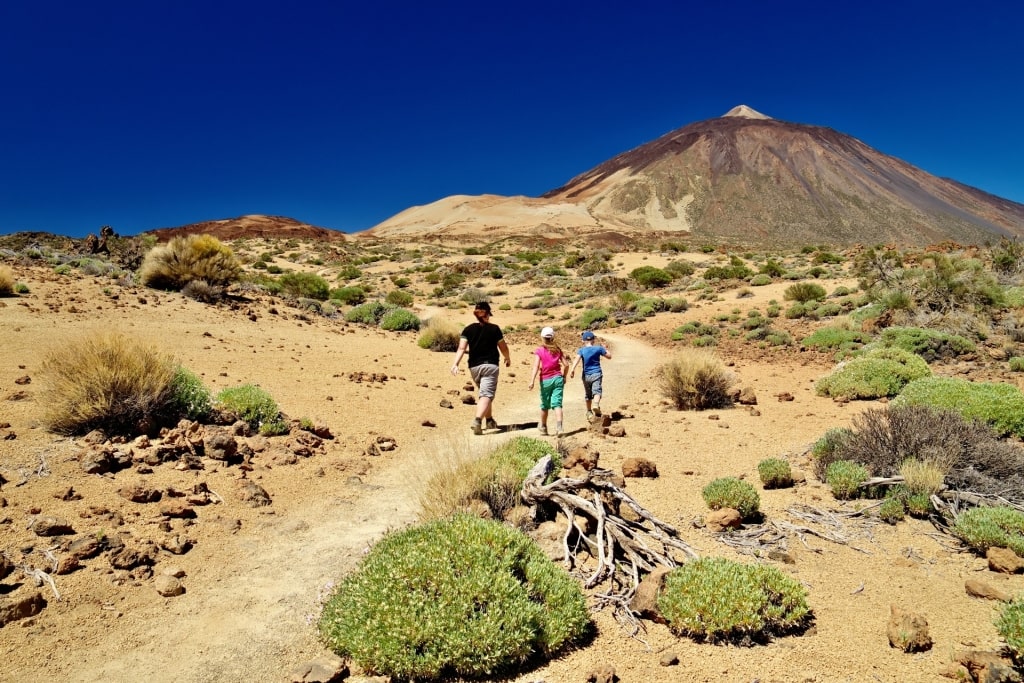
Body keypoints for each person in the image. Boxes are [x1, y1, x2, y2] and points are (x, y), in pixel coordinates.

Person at [450, 302, 511, 435]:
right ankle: (477, 421)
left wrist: (455, 364)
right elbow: (503, 348)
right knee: (487, 395)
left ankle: (489, 420)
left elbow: (461, 348)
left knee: (484, 393)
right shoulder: (494, 329)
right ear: (487, 314)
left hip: (474, 367)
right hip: (490, 365)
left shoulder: (468, 329)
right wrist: (507, 358)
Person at [528, 327, 569, 436]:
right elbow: (566, 365)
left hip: (545, 380)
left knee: (545, 405)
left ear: (542, 337)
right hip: (558, 379)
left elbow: (536, 366)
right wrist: (564, 376)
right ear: (553, 337)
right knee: (557, 404)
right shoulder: (557, 349)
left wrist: (531, 381)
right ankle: (559, 428)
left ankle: (543, 427)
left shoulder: (539, 350)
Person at [569, 330, 612, 421]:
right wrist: (605, 348)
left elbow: (577, 359)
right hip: (596, 373)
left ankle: (589, 411)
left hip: (586, 376)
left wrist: (572, 369)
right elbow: (609, 356)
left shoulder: (581, 350)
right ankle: (596, 404)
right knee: (597, 391)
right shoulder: (598, 349)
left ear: (583, 340)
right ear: (593, 340)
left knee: (588, 395)